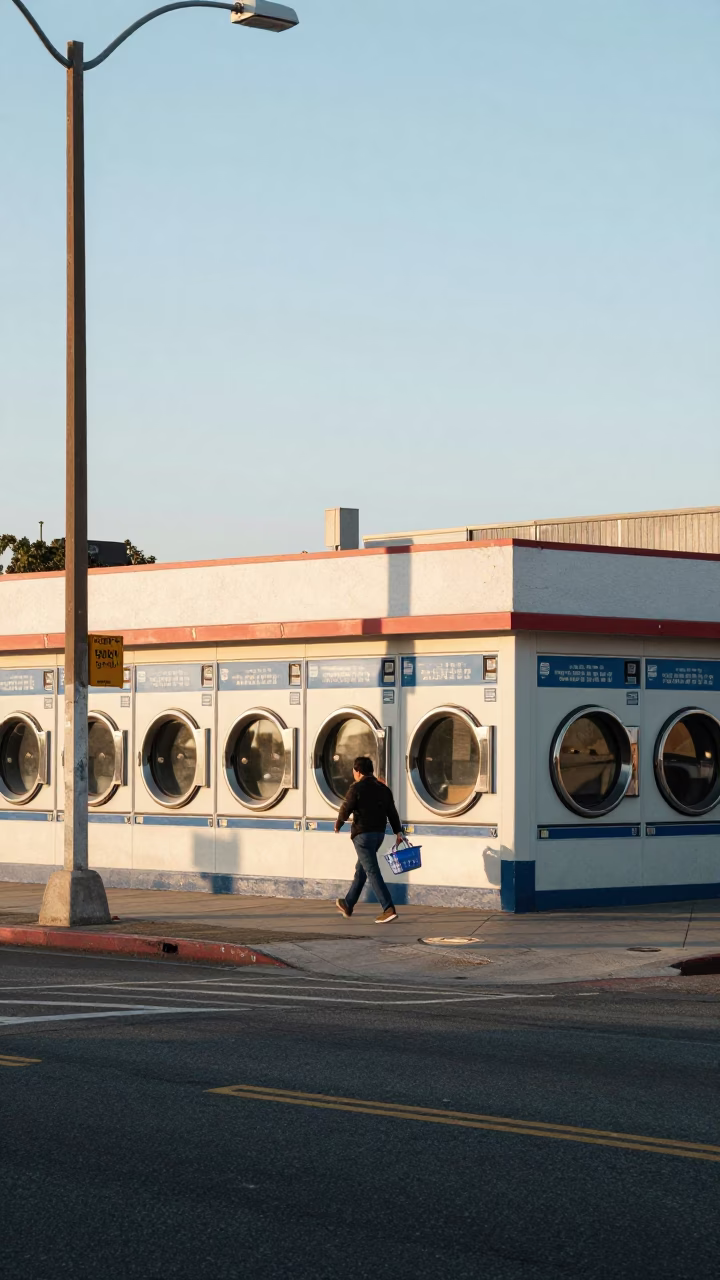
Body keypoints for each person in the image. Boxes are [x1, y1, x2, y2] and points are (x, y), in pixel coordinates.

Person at [334, 755, 403, 924]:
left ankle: (388, 908)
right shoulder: (383, 789)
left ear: (357, 771)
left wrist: (338, 823)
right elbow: (392, 812)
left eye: (354, 771)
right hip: (378, 835)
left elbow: (346, 807)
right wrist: (398, 832)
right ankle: (348, 904)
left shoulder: (356, 788)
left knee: (372, 870)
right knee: (362, 869)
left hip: (362, 836)